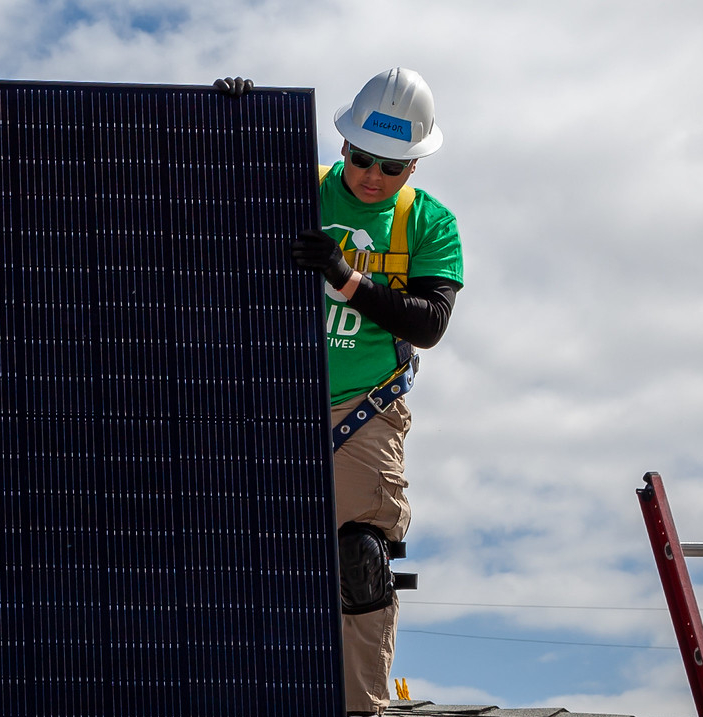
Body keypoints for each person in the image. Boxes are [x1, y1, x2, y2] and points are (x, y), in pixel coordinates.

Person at [290, 68, 464, 715]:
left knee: (358, 560)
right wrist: (231, 119)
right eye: (361, 158)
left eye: (390, 166)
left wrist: (348, 280)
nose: (371, 177)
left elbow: (429, 322)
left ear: (413, 164)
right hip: (269, 398)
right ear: (342, 147)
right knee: (238, 544)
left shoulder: (429, 223)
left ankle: (359, 708)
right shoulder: (293, 187)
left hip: (361, 408)